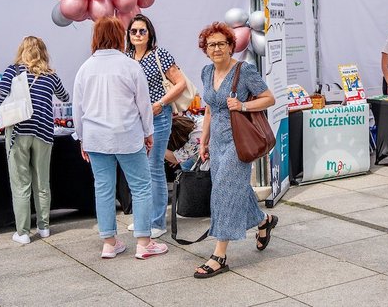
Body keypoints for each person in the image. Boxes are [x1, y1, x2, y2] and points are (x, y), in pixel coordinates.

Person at [73, 17, 167, 260]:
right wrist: (148, 132)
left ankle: (109, 242)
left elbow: (77, 109)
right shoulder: (130, 66)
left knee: (103, 188)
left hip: (95, 137)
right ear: (119, 37)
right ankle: (144, 242)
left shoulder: (85, 68)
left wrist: (82, 138)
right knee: (141, 186)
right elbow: (144, 105)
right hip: (127, 134)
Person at [194, 22, 276, 278]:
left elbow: (269, 98)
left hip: (238, 142)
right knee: (235, 188)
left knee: (223, 191)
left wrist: (242, 106)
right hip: (217, 142)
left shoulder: (244, 70)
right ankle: (263, 221)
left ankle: (219, 255)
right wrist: (204, 140)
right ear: (205, 49)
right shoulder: (207, 72)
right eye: (211, 45)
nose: (216, 49)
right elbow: (209, 108)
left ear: (231, 46)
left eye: (221, 43)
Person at [0, 36, 70, 244]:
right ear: (43, 52)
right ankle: (44, 227)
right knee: (42, 182)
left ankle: (23, 232)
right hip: (44, 132)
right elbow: (65, 97)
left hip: (19, 131)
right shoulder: (51, 75)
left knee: (21, 183)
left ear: (22, 51)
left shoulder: (13, 71)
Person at [126, 14, 187, 239]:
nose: (138, 35)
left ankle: (157, 222)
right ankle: (143, 218)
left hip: (158, 117)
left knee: (153, 167)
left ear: (149, 33)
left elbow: (180, 83)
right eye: (134, 31)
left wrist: (161, 103)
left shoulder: (160, 55)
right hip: (134, 120)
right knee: (138, 169)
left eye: (142, 31)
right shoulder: (126, 57)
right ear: (128, 34)